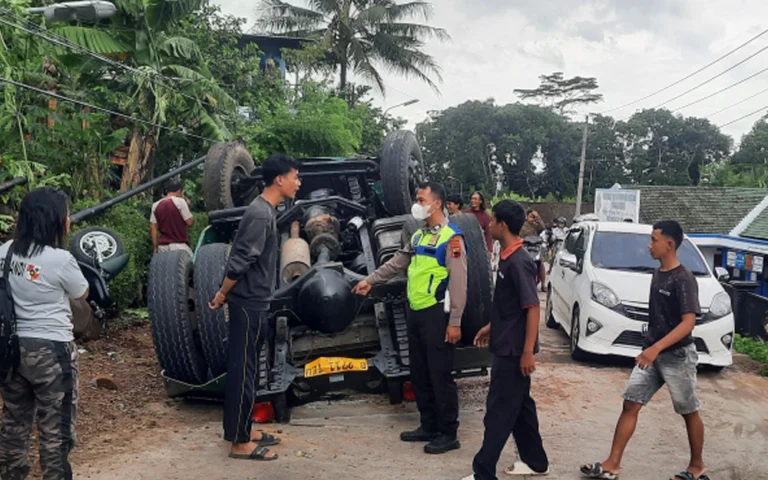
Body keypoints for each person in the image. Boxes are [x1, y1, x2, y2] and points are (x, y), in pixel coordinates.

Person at [581, 221, 708, 480]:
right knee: (631, 404)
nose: (649, 245)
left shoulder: (684, 278)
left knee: (688, 409)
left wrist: (656, 348)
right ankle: (612, 463)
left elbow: (688, 323)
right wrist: (651, 349)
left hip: (677, 357)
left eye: (654, 240)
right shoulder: (658, 273)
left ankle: (697, 467)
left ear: (669, 245)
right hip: (652, 353)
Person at [353, 182, 467, 455]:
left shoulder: (452, 239)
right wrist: (370, 280)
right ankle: (428, 425)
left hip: (437, 315)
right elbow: (396, 264)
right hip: (415, 312)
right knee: (419, 372)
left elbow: (460, 283)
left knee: (440, 375)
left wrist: (455, 322)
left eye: (421, 198)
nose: (416, 203)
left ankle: (448, 432)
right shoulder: (418, 237)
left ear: (436, 203)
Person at [208, 154, 301, 461]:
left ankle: (244, 429)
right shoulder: (260, 214)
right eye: (294, 177)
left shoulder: (266, 210)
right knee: (242, 371)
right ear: (279, 180)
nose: (297, 183)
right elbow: (241, 259)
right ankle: (238, 442)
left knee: (250, 368)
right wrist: (222, 294)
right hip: (247, 303)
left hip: (256, 301)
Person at [0, 187, 89, 480]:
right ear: (55, 220)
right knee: (56, 429)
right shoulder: (60, 260)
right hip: (52, 352)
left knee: (14, 424)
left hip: (10, 349)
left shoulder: (4, 251)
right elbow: (82, 292)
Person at [462, 199, 549, 480]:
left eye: (492, 220)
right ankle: (536, 462)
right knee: (520, 407)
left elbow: (532, 307)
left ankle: (482, 472)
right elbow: (510, 306)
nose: (488, 224)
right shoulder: (508, 256)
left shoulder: (520, 261)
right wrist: (491, 326)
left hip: (514, 351)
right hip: (506, 342)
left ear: (502, 224)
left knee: (498, 412)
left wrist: (527, 352)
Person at [150, 179, 194, 254]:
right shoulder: (180, 201)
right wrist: (188, 206)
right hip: (179, 245)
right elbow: (189, 222)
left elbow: (153, 227)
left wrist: (155, 247)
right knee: (191, 265)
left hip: (162, 246)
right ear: (179, 190)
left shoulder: (156, 205)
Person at [520, 210, 547, 291]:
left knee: (541, 264)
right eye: (530, 217)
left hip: (535, 247)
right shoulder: (522, 226)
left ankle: (543, 284)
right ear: (527, 217)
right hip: (526, 247)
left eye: (533, 217)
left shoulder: (536, 226)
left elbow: (543, 227)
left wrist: (538, 217)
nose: (532, 219)